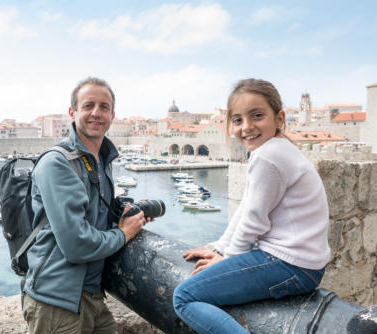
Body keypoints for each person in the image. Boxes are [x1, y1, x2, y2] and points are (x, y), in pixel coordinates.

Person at [173, 78, 331, 334]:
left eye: (257, 116)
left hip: (290, 264)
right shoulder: (276, 150)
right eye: (237, 120)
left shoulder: (268, 156)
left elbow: (254, 220)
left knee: (185, 297)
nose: (246, 127)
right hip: (304, 264)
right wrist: (221, 249)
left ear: (279, 119)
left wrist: (228, 259)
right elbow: (247, 208)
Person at [23, 77, 148, 333]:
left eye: (104, 107)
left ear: (112, 115)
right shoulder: (57, 163)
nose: (96, 113)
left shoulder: (101, 160)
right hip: (56, 301)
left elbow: (94, 215)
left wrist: (124, 215)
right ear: (73, 112)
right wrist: (123, 234)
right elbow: (76, 245)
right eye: (88, 105)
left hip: (90, 294)